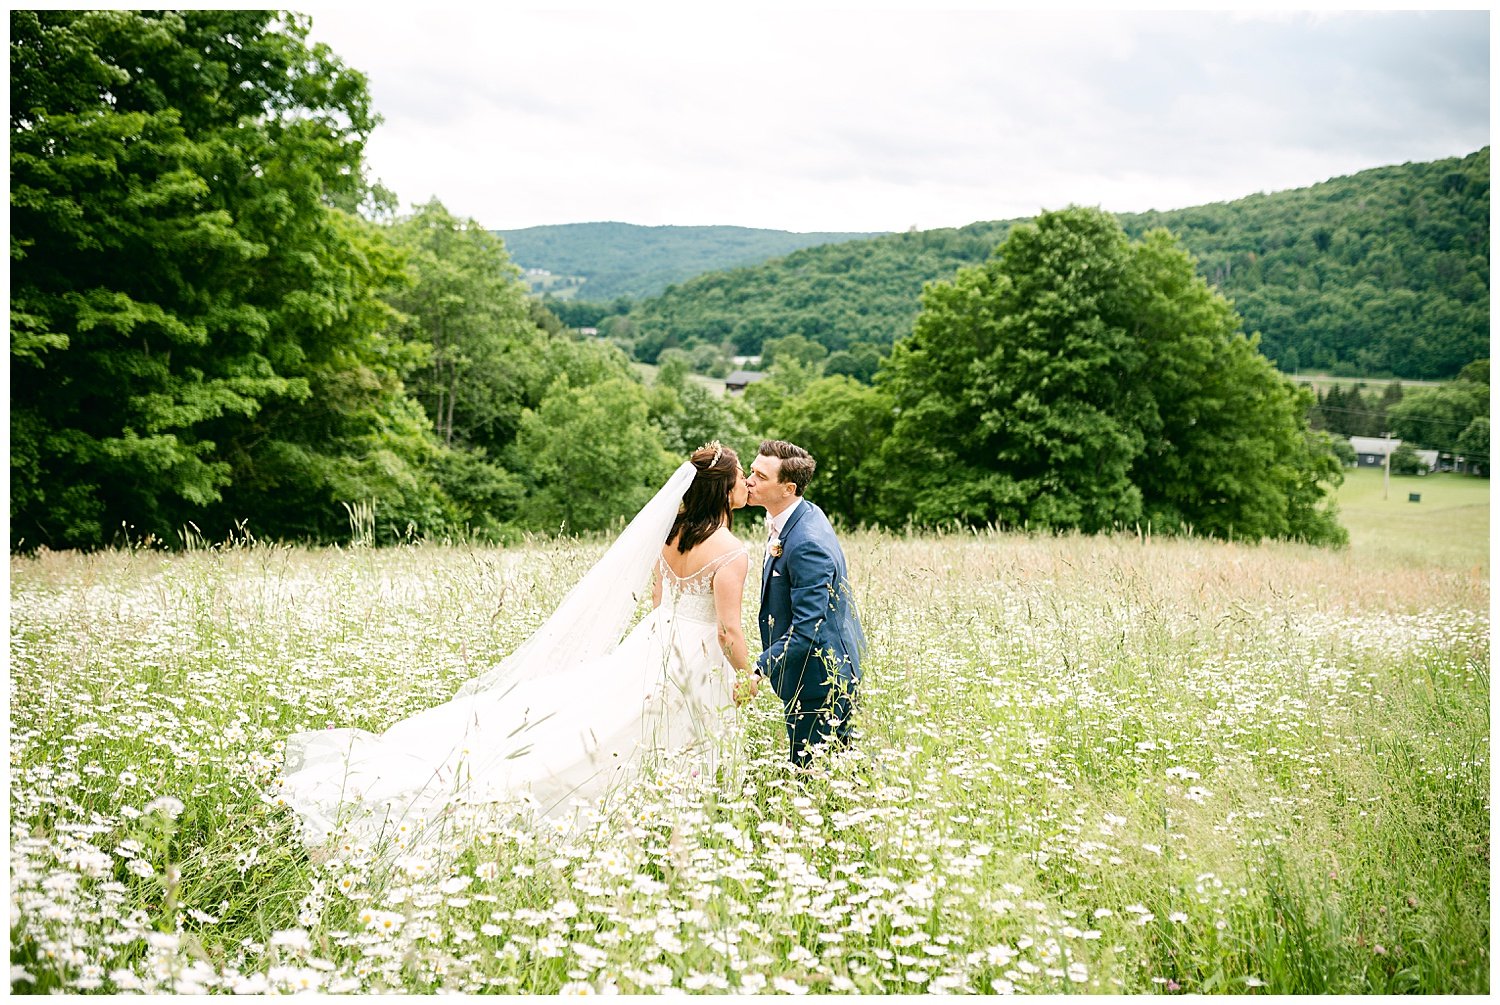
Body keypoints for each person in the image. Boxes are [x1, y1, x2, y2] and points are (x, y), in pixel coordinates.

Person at [276, 443, 752, 848]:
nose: (746, 484)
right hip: (695, 651)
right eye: (739, 478)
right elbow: (728, 630)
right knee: (651, 730)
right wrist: (747, 672)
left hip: (655, 639)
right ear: (723, 489)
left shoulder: (671, 536)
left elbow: (658, 600)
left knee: (614, 721)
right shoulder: (731, 550)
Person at [745, 440, 865, 767]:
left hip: (822, 677)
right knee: (839, 770)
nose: (748, 480)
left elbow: (807, 629)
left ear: (788, 488)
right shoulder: (799, 515)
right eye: (751, 470)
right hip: (813, 670)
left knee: (810, 775)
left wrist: (759, 669)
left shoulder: (806, 542)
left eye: (760, 475)